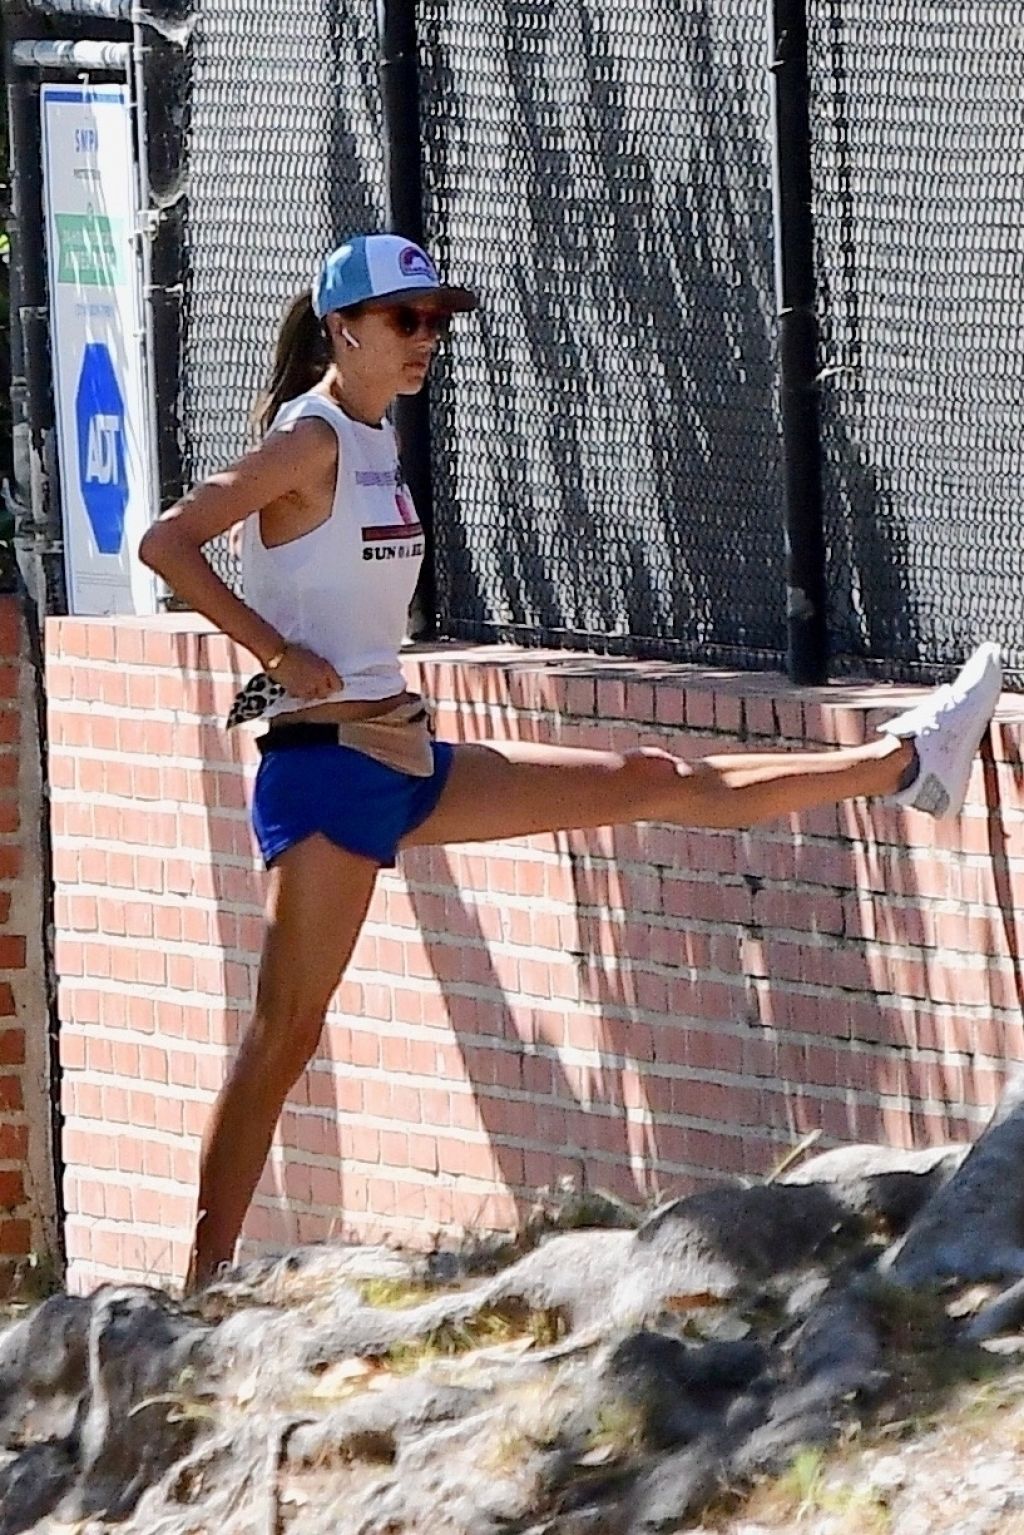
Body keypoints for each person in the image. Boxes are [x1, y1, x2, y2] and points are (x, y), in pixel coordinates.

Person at [139, 232, 1004, 1293]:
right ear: (344, 329)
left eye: (438, 320)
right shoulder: (309, 439)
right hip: (325, 771)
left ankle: (907, 759)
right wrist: (276, 653)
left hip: (401, 750)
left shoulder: (368, 441)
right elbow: (168, 541)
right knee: (284, 1034)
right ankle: (197, 1290)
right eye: (407, 320)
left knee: (653, 778)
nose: (427, 340)